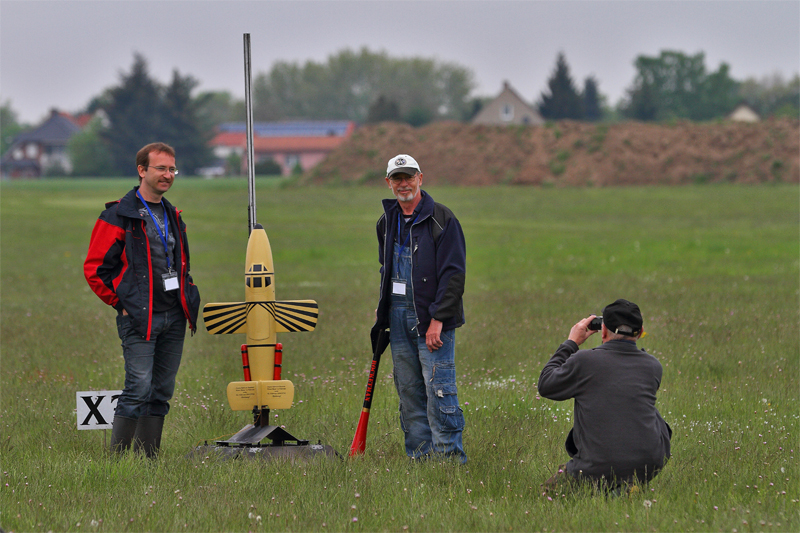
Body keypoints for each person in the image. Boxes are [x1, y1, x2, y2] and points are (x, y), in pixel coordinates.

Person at [84, 142, 200, 458]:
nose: (167, 175)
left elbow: (181, 263)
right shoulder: (117, 215)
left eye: (172, 169)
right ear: (142, 170)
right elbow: (95, 269)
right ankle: (118, 463)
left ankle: (147, 461)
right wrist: (121, 303)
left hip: (174, 315)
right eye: (160, 168)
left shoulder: (173, 214)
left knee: (161, 391)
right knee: (137, 388)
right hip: (140, 317)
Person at [371, 154, 468, 463]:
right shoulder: (386, 222)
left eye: (409, 177)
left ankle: (449, 460)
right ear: (388, 183)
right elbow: (386, 270)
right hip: (398, 318)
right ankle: (420, 458)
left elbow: (454, 275)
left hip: (432, 317)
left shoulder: (443, 219)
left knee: (439, 389)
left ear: (420, 179)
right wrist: (383, 312)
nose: (404, 184)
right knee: (409, 391)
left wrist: (438, 319)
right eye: (397, 179)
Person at [538, 299, 671, 491]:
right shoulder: (653, 366)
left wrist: (571, 342)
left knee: (547, 493)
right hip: (648, 466)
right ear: (641, 331)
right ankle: (625, 487)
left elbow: (546, 385)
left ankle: (610, 484)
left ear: (603, 330)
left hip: (595, 467)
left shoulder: (585, 361)